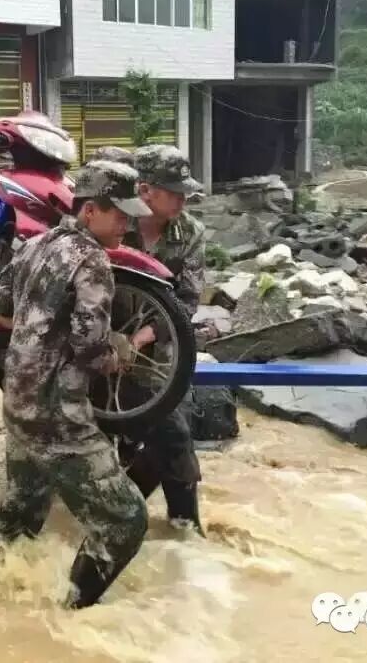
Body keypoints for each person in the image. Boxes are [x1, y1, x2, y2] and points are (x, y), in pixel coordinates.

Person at [0, 160, 152, 610]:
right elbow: (89, 347)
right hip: (58, 415)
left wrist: (44, 334)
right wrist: (119, 355)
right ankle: (73, 616)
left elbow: (0, 312)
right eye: (119, 214)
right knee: (125, 521)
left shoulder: (32, 245)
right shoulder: (92, 260)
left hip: (18, 403)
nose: (127, 224)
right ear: (90, 210)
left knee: (22, 511)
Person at [120, 144, 208, 535]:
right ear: (145, 190)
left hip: (162, 350)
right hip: (101, 346)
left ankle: (181, 525)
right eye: (174, 192)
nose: (182, 200)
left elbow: (187, 300)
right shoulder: (112, 223)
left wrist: (145, 335)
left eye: (185, 192)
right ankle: (121, 515)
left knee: (175, 434)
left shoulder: (189, 231)